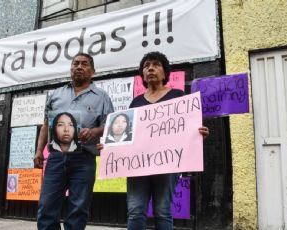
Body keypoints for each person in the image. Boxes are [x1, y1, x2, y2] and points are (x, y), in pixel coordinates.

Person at [126, 51, 209, 230]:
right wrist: (111, 147)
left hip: (167, 165)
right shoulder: (136, 102)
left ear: (165, 73)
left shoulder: (178, 97)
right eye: (146, 66)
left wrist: (198, 132)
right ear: (142, 74)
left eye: (156, 65)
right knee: (135, 210)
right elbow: (127, 134)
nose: (150, 68)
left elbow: (188, 127)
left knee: (162, 210)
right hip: (137, 166)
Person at [34, 53, 114, 230]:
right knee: (47, 206)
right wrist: (39, 151)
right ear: (71, 68)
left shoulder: (102, 97)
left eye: (84, 64)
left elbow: (110, 126)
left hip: (84, 160)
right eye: (75, 63)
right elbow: (46, 124)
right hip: (55, 158)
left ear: (93, 71)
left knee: (78, 209)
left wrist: (94, 131)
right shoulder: (56, 94)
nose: (79, 67)